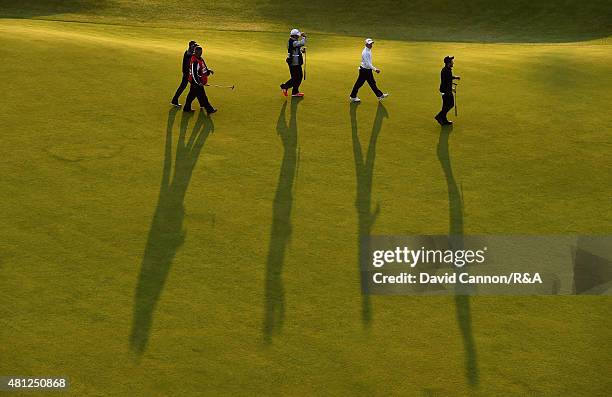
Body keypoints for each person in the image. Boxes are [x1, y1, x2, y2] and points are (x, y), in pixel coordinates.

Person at [349, 38, 389, 103]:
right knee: (360, 84)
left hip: (366, 70)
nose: (371, 45)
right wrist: (375, 69)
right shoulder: (365, 52)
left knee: (371, 83)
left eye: (371, 44)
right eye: (369, 44)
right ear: (366, 44)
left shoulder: (368, 50)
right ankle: (353, 97)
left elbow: (368, 63)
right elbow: (368, 64)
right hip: (365, 71)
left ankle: (380, 95)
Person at [183, 46, 217, 114]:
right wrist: (198, 82)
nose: (200, 54)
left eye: (201, 52)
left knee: (191, 95)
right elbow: (194, 74)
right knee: (203, 96)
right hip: (196, 83)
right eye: (199, 52)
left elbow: (203, 68)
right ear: (195, 52)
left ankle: (186, 108)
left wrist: (208, 71)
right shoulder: (194, 61)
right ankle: (209, 109)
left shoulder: (200, 58)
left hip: (197, 82)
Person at [280, 29, 307, 98]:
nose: (298, 36)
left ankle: (295, 92)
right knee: (296, 78)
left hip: (294, 62)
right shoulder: (292, 42)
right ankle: (285, 87)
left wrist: (302, 50)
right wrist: (304, 37)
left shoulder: (293, 41)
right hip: (294, 63)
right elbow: (302, 43)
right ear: (295, 36)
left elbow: (297, 48)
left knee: (298, 77)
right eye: (298, 35)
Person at [435, 56, 461, 125]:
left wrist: (455, 77)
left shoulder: (447, 69)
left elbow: (448, 79)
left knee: (445, 106)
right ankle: (439, 116)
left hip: (445, 90)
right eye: (451, 61)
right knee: (450, 104)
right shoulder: (446, 71)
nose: (453, 62)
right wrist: (451, 89)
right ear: (448, 63)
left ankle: (444, 120)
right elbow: (446, 82)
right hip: (446, 91)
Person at [171, 40, 197, 107]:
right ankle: (175, 100)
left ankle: (174, 100)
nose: (195, 47)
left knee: (192, 87)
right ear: (191, 46)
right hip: (187, 74)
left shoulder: (190, 52)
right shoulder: (189, 53)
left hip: (187, 73)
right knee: (193, 87)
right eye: (194, 46)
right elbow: (190, 60)